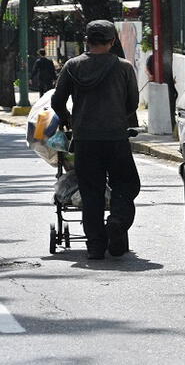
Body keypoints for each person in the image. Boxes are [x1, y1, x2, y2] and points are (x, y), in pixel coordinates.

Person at [50, 20, 141, 260]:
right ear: (112, 42)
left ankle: (95, 246)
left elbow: (57, 102)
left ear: (87, 40)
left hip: (85, 140)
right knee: (126, 185)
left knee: (91, 192)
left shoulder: (72, 67)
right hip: (116, 138)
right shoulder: (123, 67)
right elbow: (132, 103)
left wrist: (69, 118)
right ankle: (118, 222)